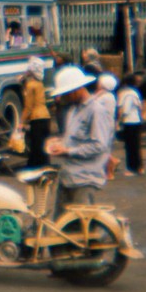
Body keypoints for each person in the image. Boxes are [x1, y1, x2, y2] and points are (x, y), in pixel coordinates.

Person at [45, 66, 111, 206]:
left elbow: (99, 145)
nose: (63, 97)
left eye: (66, 94)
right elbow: (73, 138)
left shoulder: (96, 110)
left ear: (76, 90)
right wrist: (58, 142)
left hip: (84, 179)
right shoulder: (73, 110)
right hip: (68, 176)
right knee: (61, 225)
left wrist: (68, 151)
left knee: (82, 224)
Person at [20, 56, 51, 167]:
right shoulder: (40, 84)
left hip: (36, 118)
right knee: (44, 145)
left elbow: (28, 107)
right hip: (46, 116)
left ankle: (33, 167)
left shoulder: (30, 85)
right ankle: (45, 166)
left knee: (35, 145)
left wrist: (21, 122)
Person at [117, 73, 144, 177]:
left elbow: (125, 110)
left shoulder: (126, 93)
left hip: (129, 122)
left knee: (130, 147)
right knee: (136, 145)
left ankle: (131, 168)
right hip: (136, 120)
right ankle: (139, 167)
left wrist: (119, 120)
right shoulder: (135, 93)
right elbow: (140, 106)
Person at [93, 73, 119, 180]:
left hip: (104, 125)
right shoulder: (108, 96)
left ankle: (110, 168)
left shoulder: (105, 97)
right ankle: (110, 164)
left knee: (103, 148)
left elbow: (92, 105)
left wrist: (96, 95)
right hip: (105, 124)